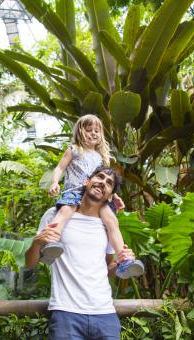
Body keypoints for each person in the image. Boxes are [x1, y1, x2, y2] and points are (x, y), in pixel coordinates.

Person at [26, 167, 138, 339]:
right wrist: (37, 243)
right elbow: (30, 263)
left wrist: (120, 263)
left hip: (105, 313)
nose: (102, 182)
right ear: (87, 181)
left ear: (110, 196)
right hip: (66, 312)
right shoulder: (55, 215)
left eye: (109, 183)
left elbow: (107, 269)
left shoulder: (107, 225)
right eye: (99, 177)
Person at [41, 114, 143, 279]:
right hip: (74, 191)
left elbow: (105, 180)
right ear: (80, 132)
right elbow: (60, 168)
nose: (93, 133)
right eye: (89, 130)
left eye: (97, 130)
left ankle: (123, 259)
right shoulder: (74, 150)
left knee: (112, 221)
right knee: (65, 210)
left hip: (98, 197)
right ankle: (51, 243)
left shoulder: (102, 157)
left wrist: (115, 196)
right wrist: (54, 182)